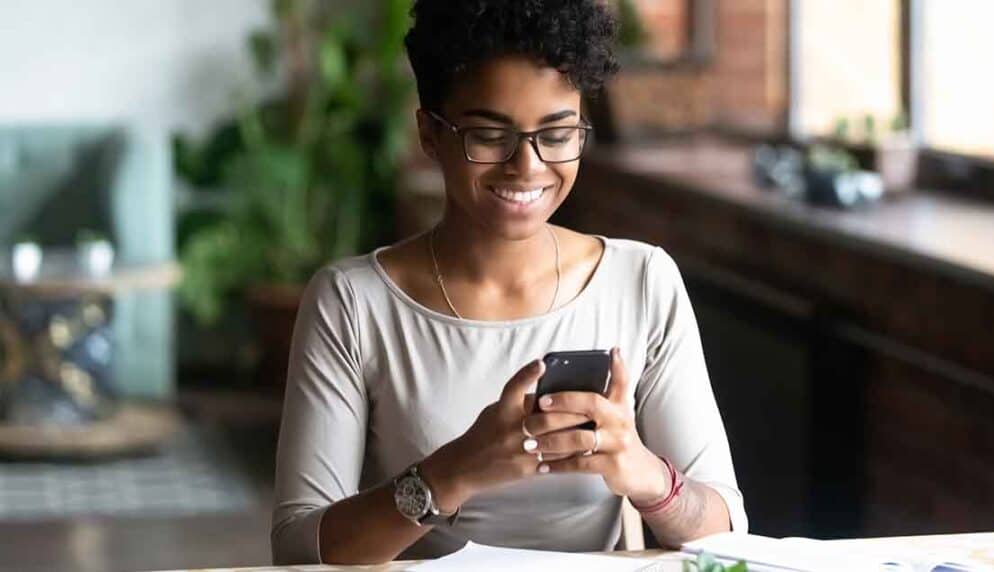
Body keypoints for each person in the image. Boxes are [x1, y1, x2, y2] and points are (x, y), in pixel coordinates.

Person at [271, 0, 747, 565]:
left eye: (558, 133)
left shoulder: (641, 282)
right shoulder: (353, 304)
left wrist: (643, 473)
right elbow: (299, 548)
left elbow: (726, 537)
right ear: (430, 134)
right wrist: (454, 470)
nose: (528, 167)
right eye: (489, 136)